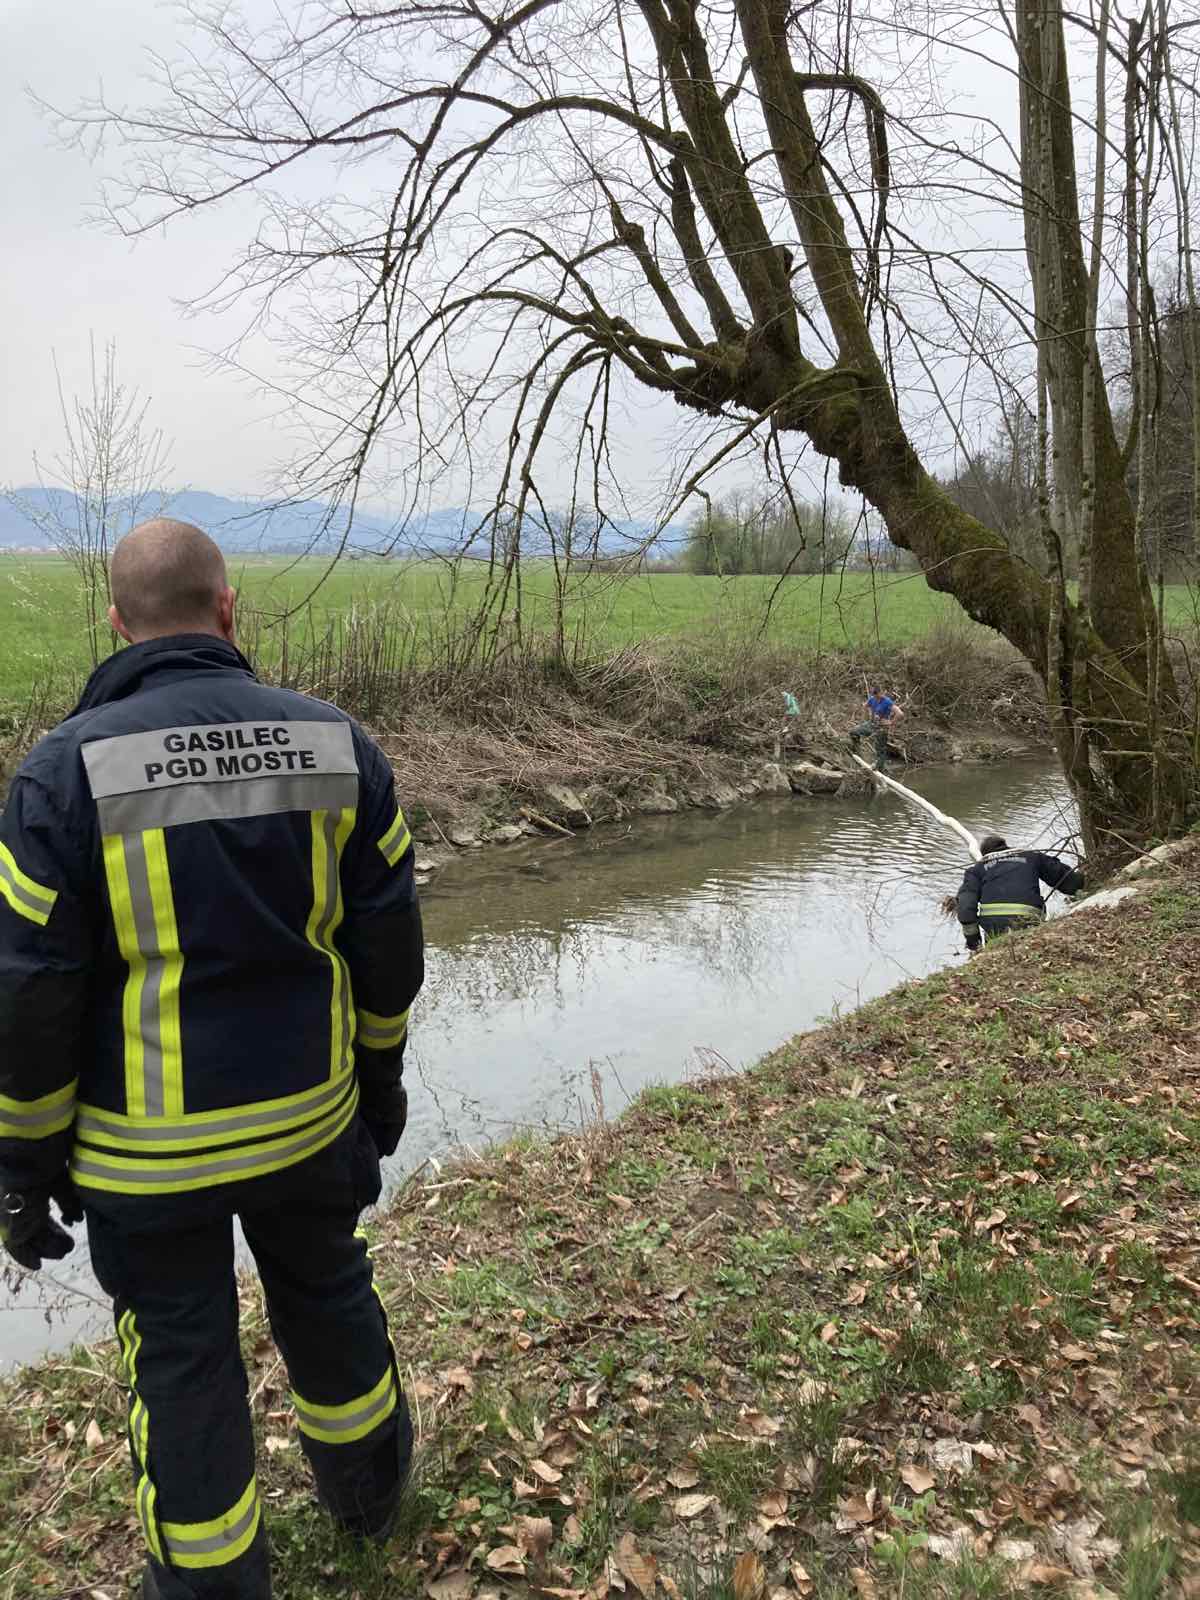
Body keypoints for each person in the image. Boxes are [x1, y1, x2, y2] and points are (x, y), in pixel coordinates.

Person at [0, 520, 424, 1600]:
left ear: (116, 622)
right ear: (229, 608)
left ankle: (212, 1584)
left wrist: (23, 1165)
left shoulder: (60, 776)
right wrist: (378, 1083)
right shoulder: (338, 746)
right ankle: (372, 1504)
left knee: (182, 1357)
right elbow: (387, 947)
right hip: (309, 1124)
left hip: (151, 1161)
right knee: (328, 1295)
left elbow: (30, 996)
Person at [956, 833, 1084, 953]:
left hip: (994, 926)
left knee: (996, 952)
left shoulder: (976, 870)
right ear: (1005, 846)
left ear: (984, 854)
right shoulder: (1031, 857)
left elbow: (966, 906)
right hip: (1029, 919)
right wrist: (1084, 882)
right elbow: (1066, 879)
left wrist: (974, 943)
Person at [848, 687, 904, 771]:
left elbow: (900, 713)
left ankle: (880, 769)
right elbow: (865, 706)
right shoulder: (872, 699)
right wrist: (866, 717)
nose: (877, 697)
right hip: (871, 724)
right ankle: (857, 752)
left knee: (880, 749)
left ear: (881, 693)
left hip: (882, 727)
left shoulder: (887, 701)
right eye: (875, 695)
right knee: (853, 732)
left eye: (878, 695)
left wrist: (891, 722)